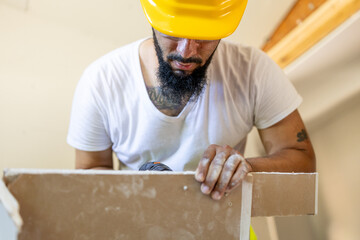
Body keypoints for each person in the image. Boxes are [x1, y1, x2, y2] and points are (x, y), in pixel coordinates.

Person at [67, 0, 316, 203]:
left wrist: (245, 167)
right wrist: (134, 196)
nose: (187, 53)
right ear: (153, 19)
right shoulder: (101, 81)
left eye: (204, 37)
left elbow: (301, 159)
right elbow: (89, 171)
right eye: (174, 32)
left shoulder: (253, 71)